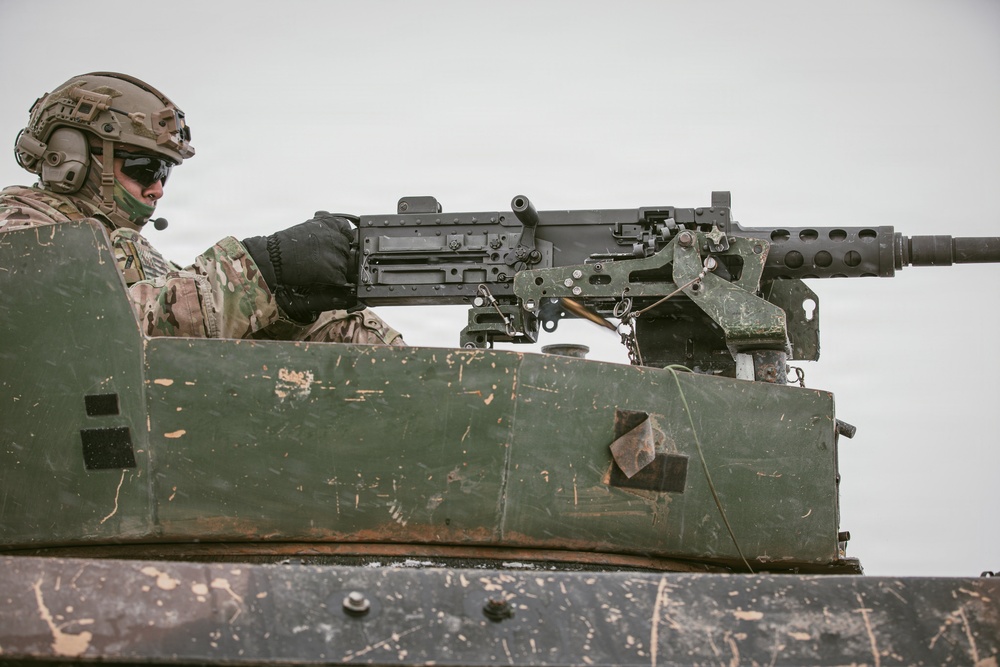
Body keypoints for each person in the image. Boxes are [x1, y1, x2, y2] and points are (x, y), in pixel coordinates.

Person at [0, 72, 404, 345]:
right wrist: (262, 271)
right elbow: (86, 336)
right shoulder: (20, 228)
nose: (157, 188)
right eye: (144, 168)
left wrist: (289, 303)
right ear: (70, 157)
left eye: (165, 172)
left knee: (333, 321)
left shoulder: (138, 257)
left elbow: (199, 344)